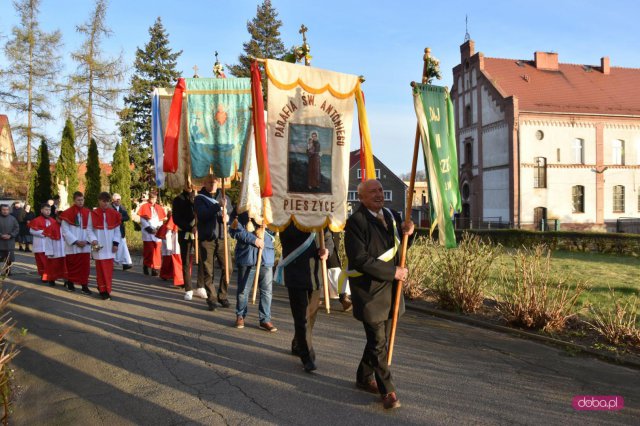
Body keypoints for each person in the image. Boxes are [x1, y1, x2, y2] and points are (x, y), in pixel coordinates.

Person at [344, 179, 415, 410]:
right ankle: (388, 390)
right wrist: (392, 271)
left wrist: (410, 232)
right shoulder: (356, 222)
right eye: (372, 191)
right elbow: (360, 259)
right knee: (378, 342)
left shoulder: (393, 215)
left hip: (392, 291)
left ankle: (363, 377)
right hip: (370, 291)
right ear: (361, 197)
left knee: (378, 340)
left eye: (381, 190)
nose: (378, 194)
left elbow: (401, 247)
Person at [277, 223, 332, 372]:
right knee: (302, 317)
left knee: (311, 315)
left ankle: (298, 343)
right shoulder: (288, 219)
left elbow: (328, 239)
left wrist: (327, 251)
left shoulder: (320, 219)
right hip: (296, 272)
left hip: (315, 274)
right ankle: (307, 355)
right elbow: (287, 238)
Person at [229, 210, 277, 332]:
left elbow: (276, 230)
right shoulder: (241, 208)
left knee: (267, 291)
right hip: (247, 255)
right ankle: (240, 315)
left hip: (266, 255)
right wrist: (253, 240)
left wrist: (268, 227)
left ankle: (265, 319)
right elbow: (234, 230)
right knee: (243, 290)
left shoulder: (269, 206)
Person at [194, 175, 231, 310]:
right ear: (204, 183)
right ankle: (212, 299)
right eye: (210, 182)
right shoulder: (199, 198)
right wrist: (217, 207)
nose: (213, 184)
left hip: (222, 237)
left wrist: (228, 216)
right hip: (207, 239)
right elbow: (202, 215)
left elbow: (231, 212)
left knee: (228, 268)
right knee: (208, 271)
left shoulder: (224, 196)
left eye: (215, 182)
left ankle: (222, 295)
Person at [87, 192, 122, 300]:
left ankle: (107, 289)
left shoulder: (114, 213)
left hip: (110, 247)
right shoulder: (93, 213)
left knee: (108, 270)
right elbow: (89, 229)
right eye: (103, 201)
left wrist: (116, 243)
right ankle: (102, 289)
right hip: (98, 245)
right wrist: (93, 240)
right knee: (100, 269)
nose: (105, 203)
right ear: (99, 201)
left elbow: (117, 230)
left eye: (107, 201)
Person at [59, 191, 93, 295]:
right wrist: (76, 241)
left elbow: (92, 229)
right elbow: (65, 230)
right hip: (73, 246)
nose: (81, 202)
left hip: (85, 245)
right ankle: (70, 283)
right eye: (78, 200)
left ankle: (84, 286)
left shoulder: (89, 213)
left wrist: (87, 241)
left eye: (82, 200)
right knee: (72, 265)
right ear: (74, 200)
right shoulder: (67, 213)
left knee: (85, 267)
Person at [172, 182, 196, 296]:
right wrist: (189, 227)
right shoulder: (178, 199)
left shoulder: (198, 198)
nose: (189, 186)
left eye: (191, 183)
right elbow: (176, 218)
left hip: (198, 232)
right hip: (185, 232)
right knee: (186, 260)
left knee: (201, 259)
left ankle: (201, 286)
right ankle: (188, 288)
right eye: (187, 184)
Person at [138, 189, 166, 276]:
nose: (153, 200)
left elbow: (161, 219)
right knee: (149, 250)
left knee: (157, 250)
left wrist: (158, 228)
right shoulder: (144, 207)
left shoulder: (159, 207)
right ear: (149, 198)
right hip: (148, 232)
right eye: (152, 198)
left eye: (155, 198)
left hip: (157, 232)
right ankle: (146, 265)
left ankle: (155, 268)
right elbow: (142, 220)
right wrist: (149, 229)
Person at [28, 203, 55, 284]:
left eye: (49, 210)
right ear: (41, 210)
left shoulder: (53, 221)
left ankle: (47, 276)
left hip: (49, 245)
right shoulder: (36, 220)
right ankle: (43, 275)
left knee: (48, 262)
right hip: (40, 245)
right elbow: (32, 231)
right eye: (46, 210)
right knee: (41, 263)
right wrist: (44, 232)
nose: (48, 212)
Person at [156, 210, 184, 287]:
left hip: (182, 244)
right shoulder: (171, 221)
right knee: (176, 262)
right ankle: (179, 280)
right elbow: (168, 234)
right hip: (175, 246)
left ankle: (179, 279)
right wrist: (169, 247)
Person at [326, 231, 352, 311]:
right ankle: (343, 295)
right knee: (333, 268)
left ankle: (345, 295)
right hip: (323, 234)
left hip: (338, 234)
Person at [42, 213, 67, 286]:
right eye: (60, 218)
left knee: (65, 267)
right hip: (55, 252)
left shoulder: (67, 227)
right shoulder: (51, 227)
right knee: (53, 267)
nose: (61, 220)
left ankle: (66, 280)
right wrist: (50, 252)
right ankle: (51, 280)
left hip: (65, 252)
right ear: (56, 218)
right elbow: (48, 241)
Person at [111, 193, 133, 270]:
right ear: (113, 200)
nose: (118, 201)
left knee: (123, 245)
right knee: (113, 246)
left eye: (119, 200)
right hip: (112, 230)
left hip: (120, 229)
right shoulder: (110, 208)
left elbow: (127, 217)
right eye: (117, 200)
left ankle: (126, 263)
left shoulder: (122, 207)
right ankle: (113, 262)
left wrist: (120, 218)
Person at [0, 204, 19, 276]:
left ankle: (8, 271)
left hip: (9, 242)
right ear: (1, 210)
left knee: (9, 258)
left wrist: (10, 235)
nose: (5, 211)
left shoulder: (13, 218)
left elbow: (16, 228)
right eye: (3, 210)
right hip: (0, 242)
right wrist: (1, 235)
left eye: (7, 210)